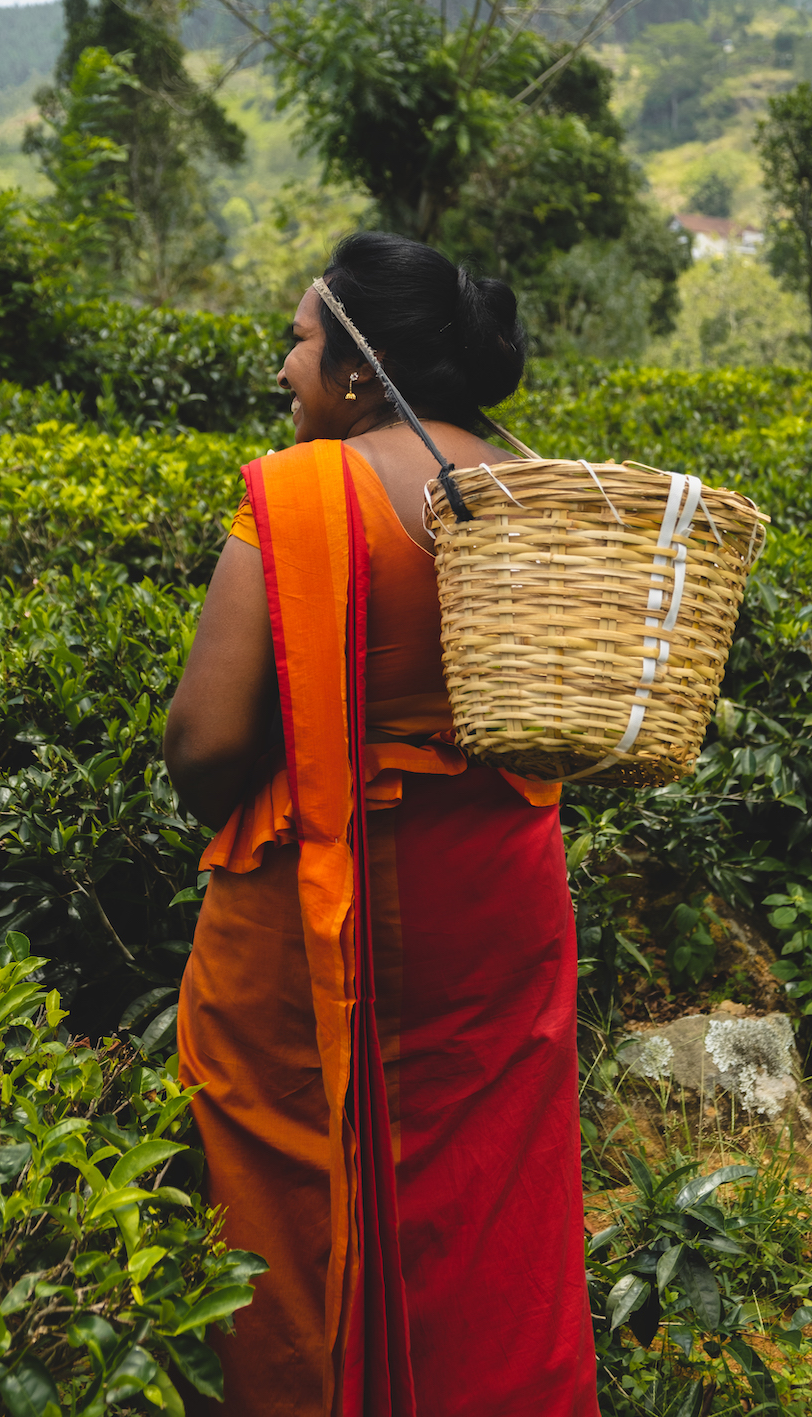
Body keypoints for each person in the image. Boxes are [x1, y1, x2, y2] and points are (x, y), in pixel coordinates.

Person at [165, 231, 599, 1417]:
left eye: (299, 341)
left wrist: (236, 809)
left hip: (328, 896)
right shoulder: (527, 485)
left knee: (293, 1183)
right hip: (497, 892)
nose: (282, 368)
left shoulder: (304, 493)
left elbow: (204, 740)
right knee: (489, 1195)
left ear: (357, 369)